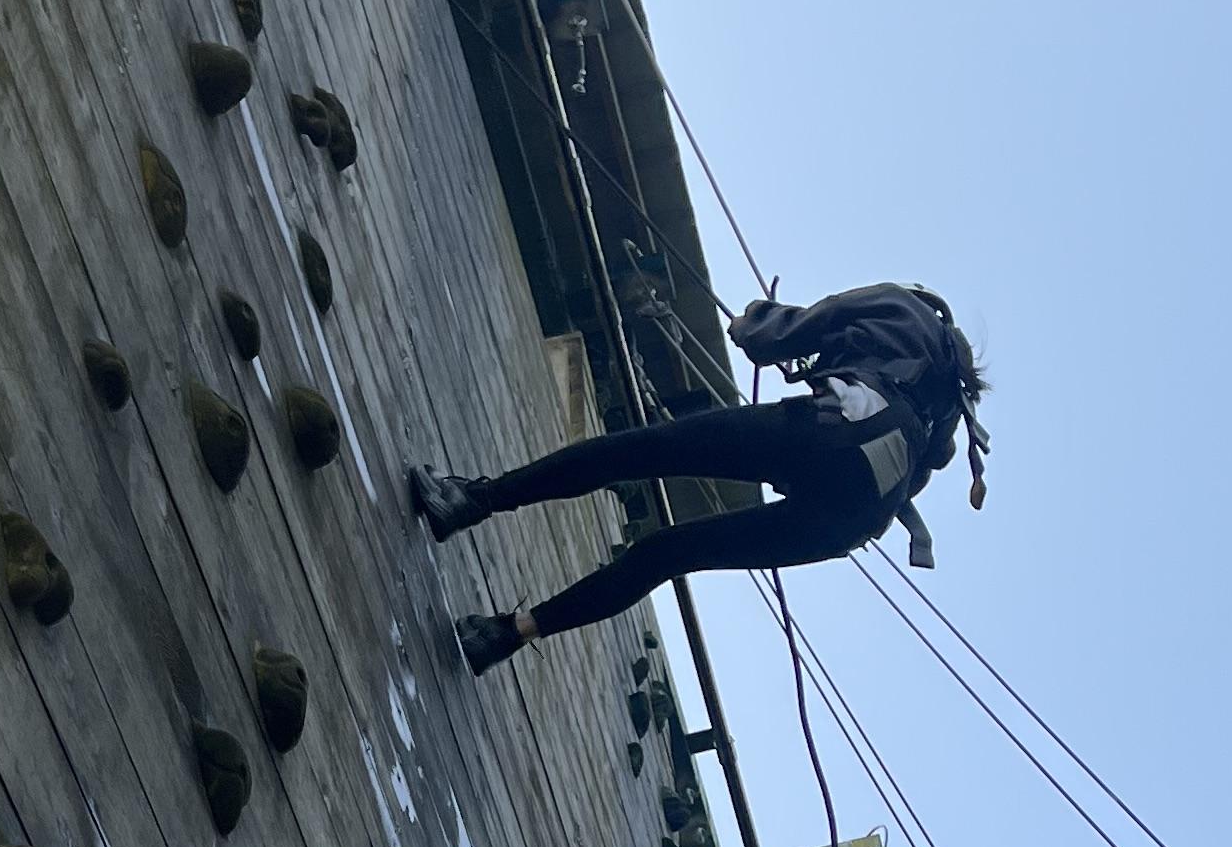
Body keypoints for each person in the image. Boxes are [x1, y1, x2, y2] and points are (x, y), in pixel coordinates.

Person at [410, 283, 987, 672]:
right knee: (668, 555)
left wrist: (752, 321)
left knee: (639, 453)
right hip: (857, 517)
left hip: (833, 433)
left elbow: (780, 334)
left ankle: (470, 500)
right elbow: (924, 468)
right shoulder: (943, 416)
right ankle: (506, 636)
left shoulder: (901, 306)